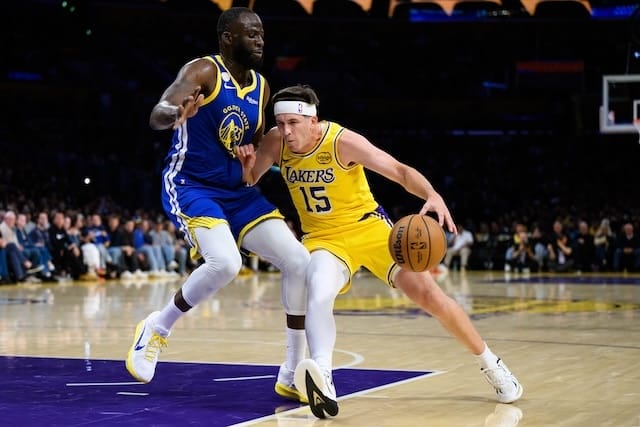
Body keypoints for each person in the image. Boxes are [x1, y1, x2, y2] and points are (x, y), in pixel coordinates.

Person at [237, 84, 523, 419]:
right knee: (318, 291)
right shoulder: (275, 142)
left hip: (369, 229)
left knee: (430, 296)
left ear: (313, 121)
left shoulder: (342, 141)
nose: (286, 131)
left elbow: (399, 171)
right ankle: (323, 376)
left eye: (293, 123)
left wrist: (431, 194)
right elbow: (250, 179)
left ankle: (492, 364)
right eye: (281, 123)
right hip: (323, 239)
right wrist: (246, 167)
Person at [125, 7, 310, 405]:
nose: (260, 40)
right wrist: (176, 113)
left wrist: (251, 159)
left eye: (262, 33)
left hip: (236, 190)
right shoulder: (203, 71)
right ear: (228, 37)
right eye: (251, 33)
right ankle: (157, 326)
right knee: (226, 263)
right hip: (192, 186)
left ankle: (293, 371)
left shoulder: (262, 86)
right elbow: (158, 113)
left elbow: (252, 144)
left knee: (299, 261)